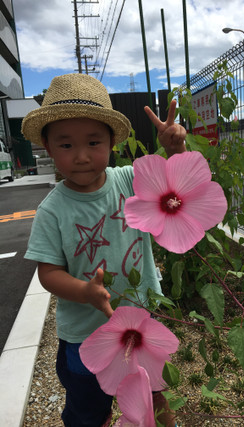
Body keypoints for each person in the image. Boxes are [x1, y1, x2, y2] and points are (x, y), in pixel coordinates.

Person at [22, 73, 186, 427]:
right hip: (85, 337)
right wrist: (84, 291)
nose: (81, 156)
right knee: (87, 411)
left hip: (142, 322)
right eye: (65, 145)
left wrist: (175, 149)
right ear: (47, 148)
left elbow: (174, 182)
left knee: (154, 398)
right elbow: (48, 273)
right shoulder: (52, 210)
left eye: (93, 142)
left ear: (112, 142)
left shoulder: (127, 180)